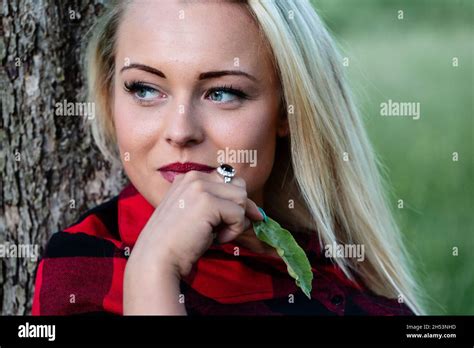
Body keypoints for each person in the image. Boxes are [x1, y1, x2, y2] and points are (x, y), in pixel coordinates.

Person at [32, 0, 423, 315]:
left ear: (287, 110)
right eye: (145, 89)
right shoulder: (82, 271)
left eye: (222, 93)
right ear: (110, 93)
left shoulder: (339, 272)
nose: (181, 131)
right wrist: (151, 276)